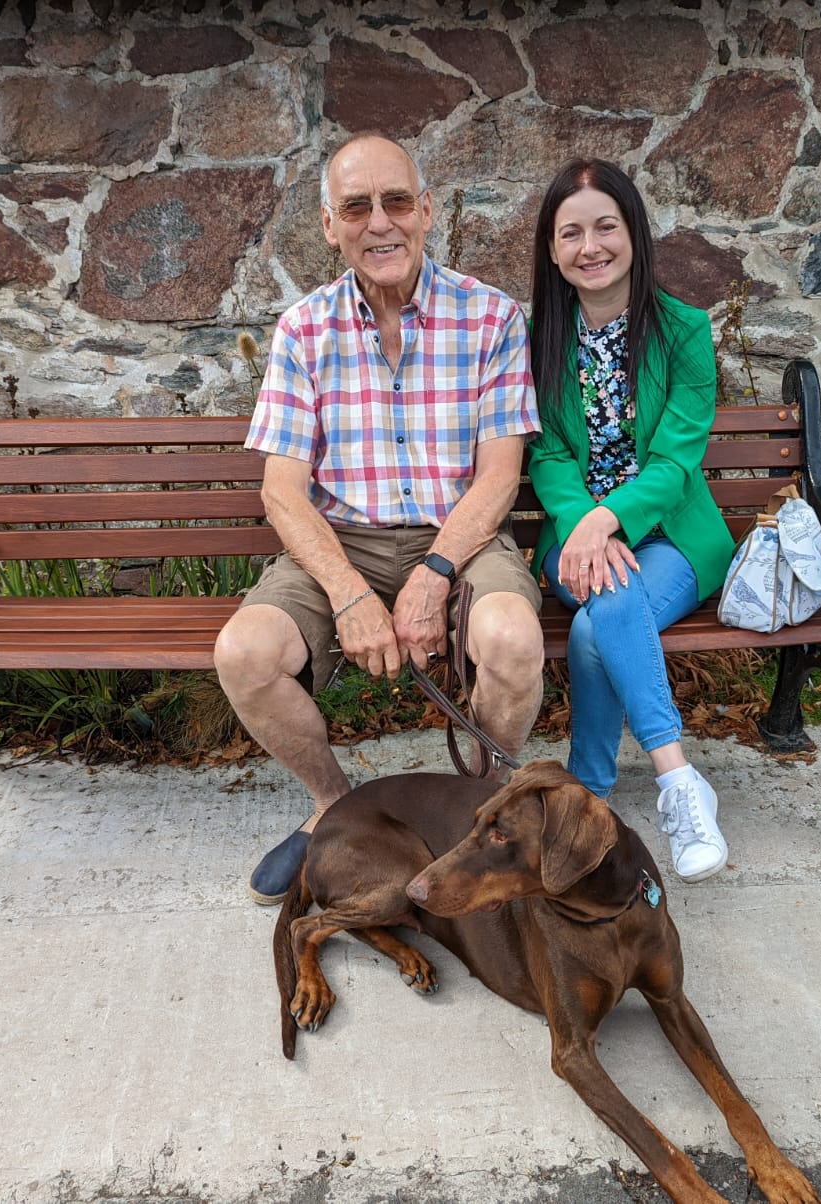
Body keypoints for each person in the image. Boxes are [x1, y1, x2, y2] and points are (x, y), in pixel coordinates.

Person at [214, 134, 546, 905]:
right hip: (342, 541)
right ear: (331, 227)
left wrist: (434, 577)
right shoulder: (303, 331)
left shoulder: (490, 318)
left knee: (513, 639)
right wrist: (351, 595)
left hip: (457, 536)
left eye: (396, 201)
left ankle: (478, 808)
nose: (380, 223)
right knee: (244, 653)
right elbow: (283, 495)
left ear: (427, 211)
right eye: (356, 208)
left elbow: (500, 476)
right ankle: (334, 806)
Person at [525, 157, 738, 883]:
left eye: (605, 227)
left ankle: (591, 792)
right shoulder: (540, 339)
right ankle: (679, 780)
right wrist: (583, 522)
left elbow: (677, 463)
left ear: (634, 233)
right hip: (573, 537)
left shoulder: (684, 332)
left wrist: (607, 522)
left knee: (595, 621)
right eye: (571, 233)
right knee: (608, 593)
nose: (591, 247)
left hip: (674, 536)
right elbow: (549, 456)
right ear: (552, 251)